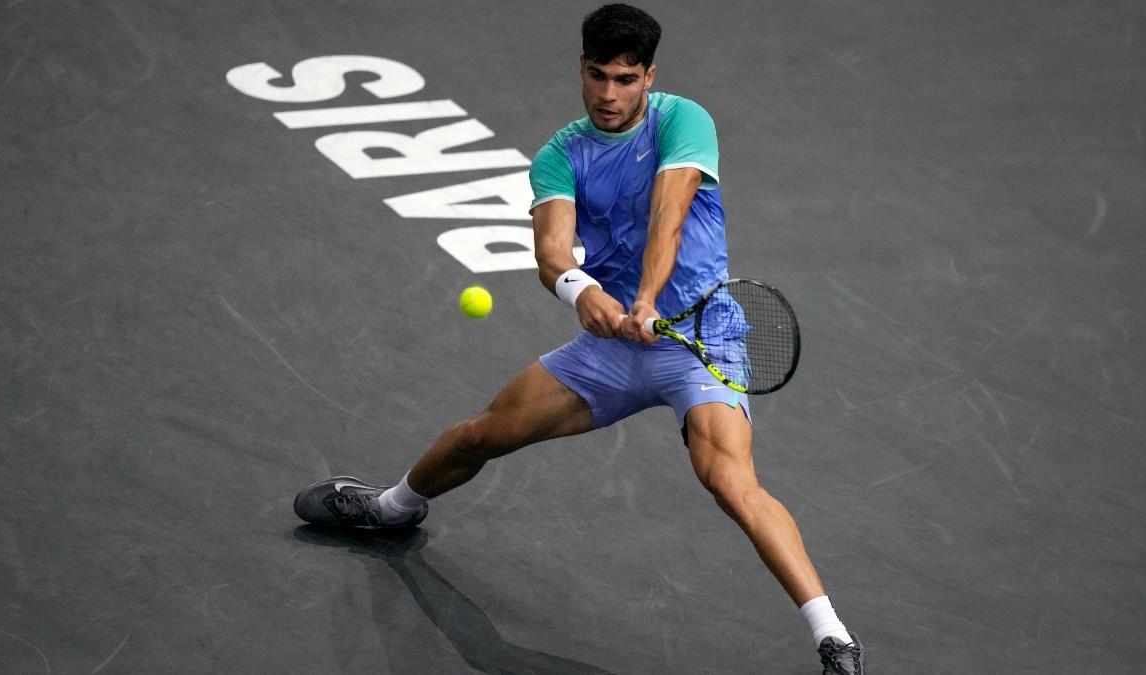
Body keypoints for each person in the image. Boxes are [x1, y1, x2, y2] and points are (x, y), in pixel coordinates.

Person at [294, 4, 864, 673]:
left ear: (650, 76)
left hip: (703, 337)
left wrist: (647, 299)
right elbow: (551, 250)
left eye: (626, 79)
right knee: (485, 433)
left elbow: (668, 215)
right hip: (617, 347)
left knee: (731, 481)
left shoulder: (684, 121)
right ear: (582, 67)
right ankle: (391, 506)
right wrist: (582, 290)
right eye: (598, 75)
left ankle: (834, 639)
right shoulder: (560, 155)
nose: (609, 94)